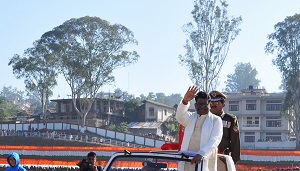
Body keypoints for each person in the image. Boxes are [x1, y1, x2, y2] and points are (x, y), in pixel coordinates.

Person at [176, 86, 223, 171]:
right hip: (186, 162)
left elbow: (215, 139)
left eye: (204, 104)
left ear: (210, 105)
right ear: (195, 105)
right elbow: (179, 117)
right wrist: (185, 101)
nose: (201, 106)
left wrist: (201, 154)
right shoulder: (190, 117)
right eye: (199, 104)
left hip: (204, 162)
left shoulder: (216, 120)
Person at [209, 90, 241, 164]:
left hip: (223, 158)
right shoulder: (205, 119)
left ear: (223, 104)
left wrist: (233, 161)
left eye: (216, 103)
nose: (213, 105)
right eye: (211, 103)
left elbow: (235, 142)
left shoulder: (230, 119)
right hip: (207, 156)